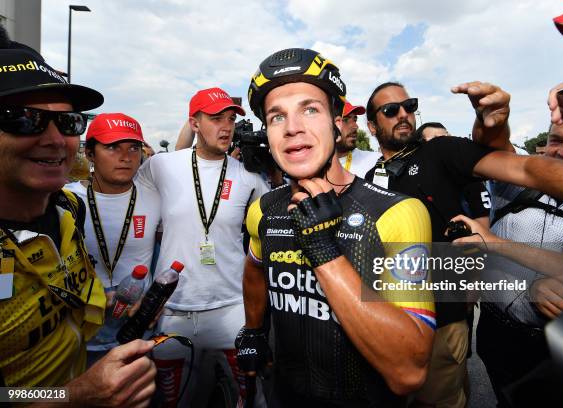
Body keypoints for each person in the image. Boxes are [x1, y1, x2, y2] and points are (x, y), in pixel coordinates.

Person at [364, 80, 563, 408]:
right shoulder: (369, 181)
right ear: (372, 124)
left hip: (447, 319)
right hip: (399, 321)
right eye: (390, 110)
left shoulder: (441, 150)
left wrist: (489, 120)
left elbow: (513, 160)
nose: (403, 114)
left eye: (409, 105)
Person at [238, 47, 436, 407]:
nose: (293, 127)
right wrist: (253, 330)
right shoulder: (263, 209)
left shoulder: (398, 213)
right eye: (276, 117)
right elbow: (254, 269)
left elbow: (410, 371)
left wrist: (324, 252)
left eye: (310, 109)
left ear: (338, 120)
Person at [0, 32, 156, 407]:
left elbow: (66, 293)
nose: (55, 139)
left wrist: (114, 302)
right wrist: (77, 395)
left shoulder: (70, 207)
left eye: (68, 122)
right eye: (26, 119)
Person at [137, 87, 269, 407]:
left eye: (230, 119)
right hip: (174, 310)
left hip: (231, 307)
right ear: (194, 124)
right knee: (174, 401)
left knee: (251, 399)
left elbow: (269, 224)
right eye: (215, 119)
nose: (226, 127)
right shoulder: (162, 167)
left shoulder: (248, 176)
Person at [65, 113, 161, 364]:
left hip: (137, 332)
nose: (126, 156)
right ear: (90, 154)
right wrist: (93, 295)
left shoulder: (155, 195)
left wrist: (157, 300)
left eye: (133, 147)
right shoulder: (66, 201)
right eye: (112, 147)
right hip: (80, 338)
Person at [336, 100, 379, 177]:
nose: (355, 126)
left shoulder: (376, 162)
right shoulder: (312, 166)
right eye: (345, 120)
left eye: (355, 120)